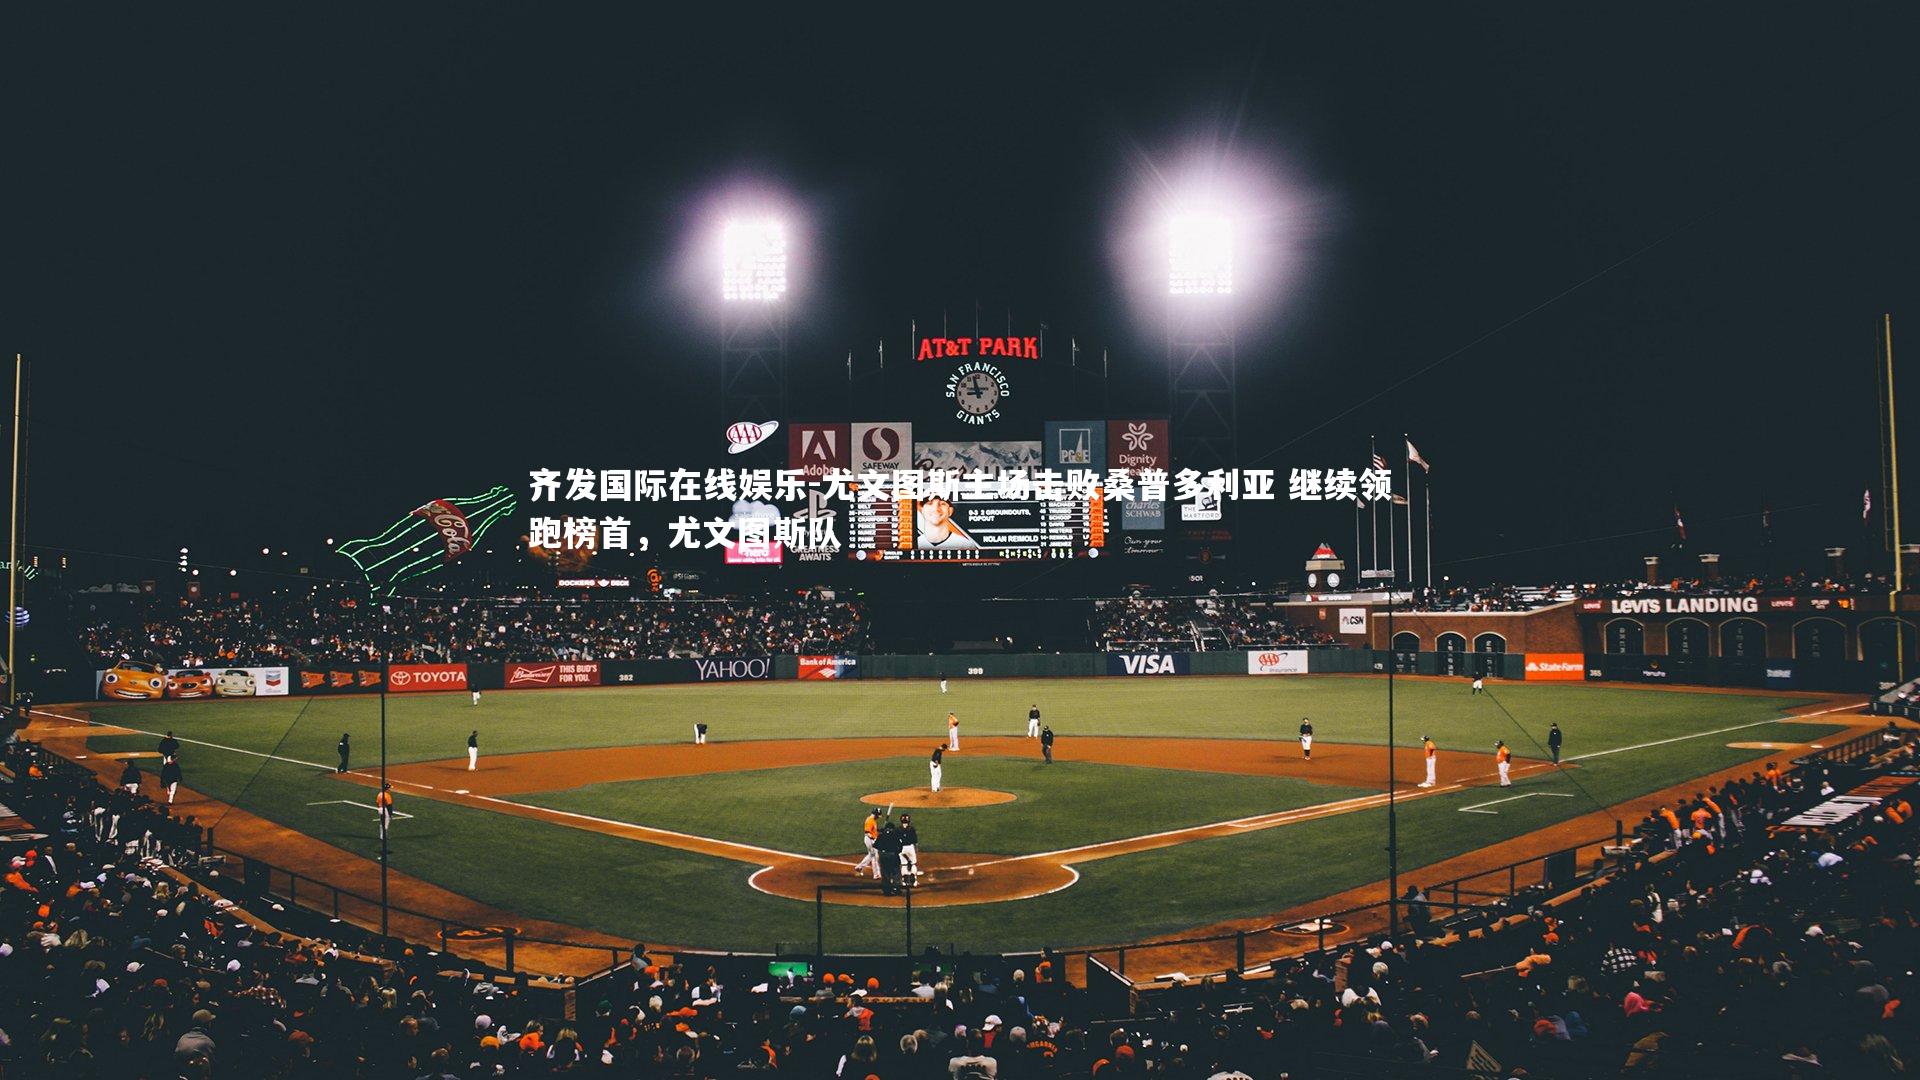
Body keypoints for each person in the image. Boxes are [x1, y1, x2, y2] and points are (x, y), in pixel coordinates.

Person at [875, 817, 905, 896]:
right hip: (893, 855)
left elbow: (876, 846)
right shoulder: (895, 834)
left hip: (883, 855)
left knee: (885, 872)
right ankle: (896, 888)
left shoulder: (881, 835)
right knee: (896, 872)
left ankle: (886, 890)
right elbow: (900, 847)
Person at [853, 808, 880, 879]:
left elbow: (873, 830)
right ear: (875, 814)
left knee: (871, 855)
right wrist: (873, 839)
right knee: (874, 856)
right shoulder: (869, 821)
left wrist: (879, 831)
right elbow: (867, 832)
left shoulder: (873, 820)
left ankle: (859, 867)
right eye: (878, 815)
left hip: (871, 840)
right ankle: (876, 874)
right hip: (870, 840)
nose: (878, 817)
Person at [899, 813, 921, 886]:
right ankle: (914, 881)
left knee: (904, 865)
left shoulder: (898, 829)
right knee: (913, 864)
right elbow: (915, 841)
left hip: (901, 848)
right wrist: (916, 850)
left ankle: (904, 882)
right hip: (910, 848)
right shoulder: (912, 829)